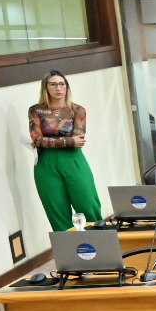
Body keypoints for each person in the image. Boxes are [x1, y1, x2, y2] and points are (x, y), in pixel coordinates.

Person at [28, 70, 102, 231]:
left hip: (73, 160)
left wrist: (51, 141)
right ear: (45, 88)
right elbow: (37, 140)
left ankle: (101, 243)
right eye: (53, 84)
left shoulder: (77, 110)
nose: (58, 88)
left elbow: (78, 141)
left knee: (87, 202)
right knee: (56, 209)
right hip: (45, 163)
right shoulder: (36, 110)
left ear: (67, 87)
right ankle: (69, 250)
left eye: (62, 84)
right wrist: (69, 141)